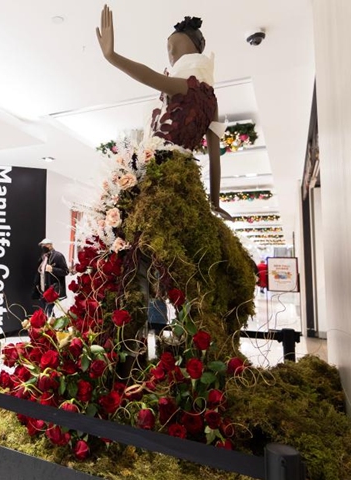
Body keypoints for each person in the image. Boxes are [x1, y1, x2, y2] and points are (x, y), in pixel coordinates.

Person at [97, 5, 232, 221]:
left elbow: (147, 76)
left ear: (175, 50)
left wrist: (112, 57)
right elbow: (215, 156)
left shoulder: (186, 87)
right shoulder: (210, 100)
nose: (170, 54)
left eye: (170, 48)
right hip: (184, 179)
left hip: (159, 175)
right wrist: (215, 202)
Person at [33, 238, 69, 316]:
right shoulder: (43, 257)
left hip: (53, 292)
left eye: (44, 245)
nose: (43, 247)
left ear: (50, 245)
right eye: (42, 245)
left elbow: (66, 271)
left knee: (53, 314)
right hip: (43, 291)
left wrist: (53, 269)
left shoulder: (58, 256)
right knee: (45, 313)